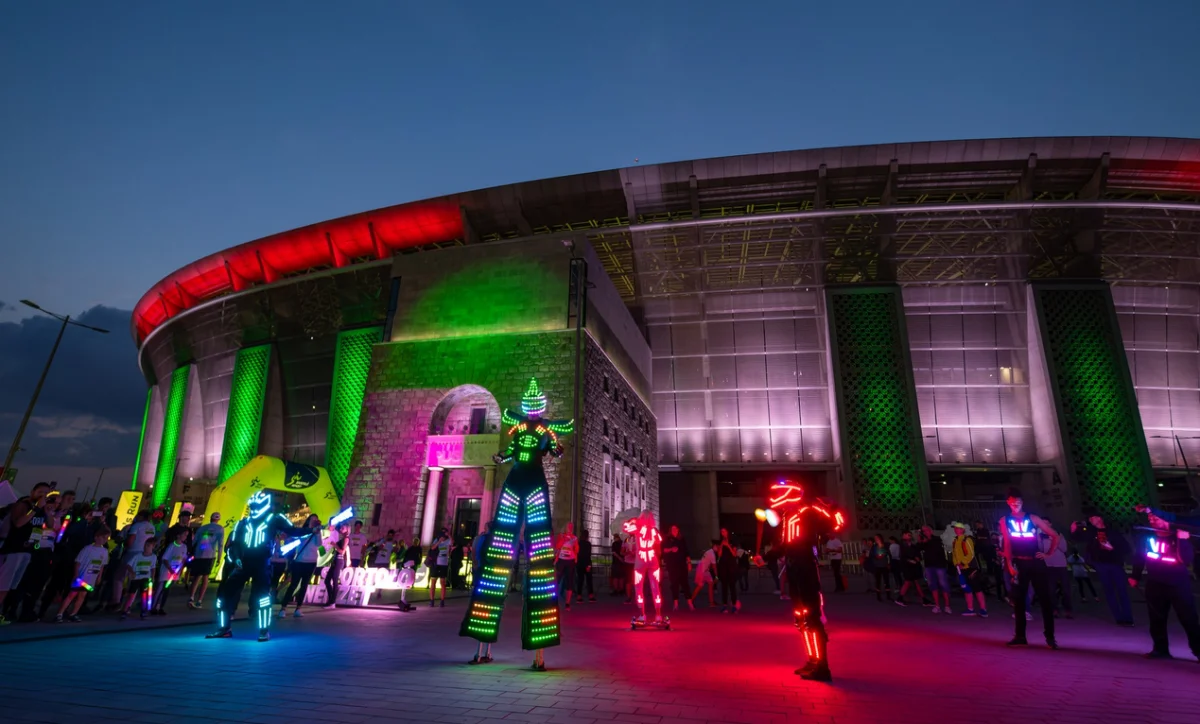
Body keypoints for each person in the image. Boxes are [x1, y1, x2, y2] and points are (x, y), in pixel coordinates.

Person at [459, 377, 571, 671]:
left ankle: (538, 653)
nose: (532, 408)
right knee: (500, 555)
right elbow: (510, 451)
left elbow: (557, 449)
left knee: (539, 562)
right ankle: (486, 646)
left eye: (535, 404)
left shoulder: (545, 431)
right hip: (519, 485)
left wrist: (557, 447)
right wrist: (502, 455)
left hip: (531, 486)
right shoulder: (521, 430)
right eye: (530, 404)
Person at [206, 492, 314, 642]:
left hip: (262, 563)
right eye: (252, 506)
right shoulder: (242, 523)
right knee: (225, 594)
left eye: (257, 506)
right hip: (243, 563)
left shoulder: (274, 519)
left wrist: (310, 530)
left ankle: (264, 630)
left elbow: (293, 531)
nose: (254, 509)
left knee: (262, 598)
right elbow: (234, 544)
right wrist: (236, 558)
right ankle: (224, 628)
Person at [765, 480, 845, 682]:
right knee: (800, 618)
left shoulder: (809, 511)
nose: (778, 501)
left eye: (781, 495)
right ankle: (812, 659)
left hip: (806, 568)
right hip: (793, 570)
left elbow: (836, 523)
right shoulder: (787, 517)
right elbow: (785, 545)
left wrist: (831, 507)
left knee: (812, 617)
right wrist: (768, 556)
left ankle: (822, 667)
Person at [1129, 510, 1200, 660]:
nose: (1153, 521)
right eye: (1150, 518)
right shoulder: (1147, 536)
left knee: (1189, 618)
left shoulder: (1179, 535)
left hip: (1178, 584)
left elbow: (1185, 560)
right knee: (1156, 618)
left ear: (1166, 520)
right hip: (1155, 583)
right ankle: (1160, 649)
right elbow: (1140, 556)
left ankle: (1198, 650)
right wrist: (1135, 575)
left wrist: (1182, 540)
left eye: (1156, 518)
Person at [1000, 488, 1059, 649]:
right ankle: (1020, 636)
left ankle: (1050, 637)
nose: (1015, 504)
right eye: (1012, 502)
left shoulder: (1032, 518)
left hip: (1036, 562)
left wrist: (1048, 553)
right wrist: (1009, 564)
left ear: (1022, 502)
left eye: (1018, 501)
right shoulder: (1004, 520)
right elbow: (1007, 543)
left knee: (1045, 599)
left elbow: (1055, 535)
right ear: (1008, 503)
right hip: (1019, 563)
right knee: (1018, 601)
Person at [0, 481, 51, 624]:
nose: (43, 495)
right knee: (3, 584)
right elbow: (18, 523)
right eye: (40, 492)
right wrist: (35, 508)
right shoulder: (23, 505)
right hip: (14, 549)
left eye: (46, 493)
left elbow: (51, 525)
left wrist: (47, 511)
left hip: (28, 550)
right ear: (33, 491)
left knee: (11, 585)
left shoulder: (41, 509)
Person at [1072, 514, 1133, 626]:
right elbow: (1077, 538)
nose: (1091, 520)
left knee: (1122, 591)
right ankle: (1118, 618)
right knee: (1109, 591)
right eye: (1089, 518)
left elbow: (1126, 548)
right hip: (1101, 565)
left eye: (1093, 517)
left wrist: (1113, 548)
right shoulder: (1091, 532)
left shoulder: (1113, 532)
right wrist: (1074, 530)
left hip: (1115, 564)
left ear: (1100, 518)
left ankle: (1128, 618)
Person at [56, 526, 110, 623]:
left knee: (82, 596)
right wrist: (76, 575)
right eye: (102, 537)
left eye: (106, 538)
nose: (104, 540)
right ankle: (59, 613)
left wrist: (99, 577)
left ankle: (73, 614)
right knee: (72, 594)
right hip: (81, 577)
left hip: (91, 578)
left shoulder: (105, 551)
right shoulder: (87, 549)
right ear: (96, 537)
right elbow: (77, 562)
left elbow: (102, 565)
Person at [623, 511, 664, 625]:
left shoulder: (637, 528)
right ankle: (658, 615)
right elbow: (660, 540)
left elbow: (625, 527)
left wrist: (633, 520)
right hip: (652, 558)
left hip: (640, 559)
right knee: (655, 587)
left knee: (638, 587)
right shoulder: (654, 530)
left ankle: (642, 614)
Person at [279, 514, 322, 618]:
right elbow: (299, 540)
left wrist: (317, 532)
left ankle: (298, 608)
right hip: (299, 561)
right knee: (293, 584)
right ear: (308, 521)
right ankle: (283, 608)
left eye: (316, 520)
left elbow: (319, 544)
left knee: (304, 586)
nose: (314, 521)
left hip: (311, 562)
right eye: (312, 519)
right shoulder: (303, 531)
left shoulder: (317, 532)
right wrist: (310, 530)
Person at [112, 511, 156, 609]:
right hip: (145, 554)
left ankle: (116, 602)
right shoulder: (152, 527)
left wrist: (125, 546)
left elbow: (131, 540)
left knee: (119, 577)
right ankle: (128, 605)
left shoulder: (136, 526)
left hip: (132, 552)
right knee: (135, 579)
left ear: (140, 516)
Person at [950, 522, 988, 617]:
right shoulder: (955, 541)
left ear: (962, 530)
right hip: (961, 568)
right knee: (966, 589)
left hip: (971, 568)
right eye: (955, 528)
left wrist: (962, 563)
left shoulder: (967, 540)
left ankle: (983, 609)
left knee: (977, 589)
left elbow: (971, 554)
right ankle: (970, 609)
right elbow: (954, 555)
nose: (956, 529)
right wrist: (956, 564)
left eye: (958, 528)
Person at [188, 512, 224, 609]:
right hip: (210, 555)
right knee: (205, 578)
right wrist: (219, 557)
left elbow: (194, 541)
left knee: (197, 577)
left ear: (210, 518)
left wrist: (191, 552)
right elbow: (220, 544)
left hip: (199, 554)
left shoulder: (202, 528)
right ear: (218, 519)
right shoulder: (220, 529)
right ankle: (199, 600)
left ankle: (191, 597)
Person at [152, 525, 190, 614]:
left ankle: (160, 607)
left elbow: (183, 559)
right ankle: (154, 607)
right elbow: (165, 559)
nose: (185, 537)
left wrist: (179, 571)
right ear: (178, 535)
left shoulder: (184, 547)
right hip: (166, 571)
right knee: (160, 589)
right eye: (184, 535)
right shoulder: (172, 545)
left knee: (167, 590)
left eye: (186, 535)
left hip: (174, 573)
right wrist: (170, 569)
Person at [120, 536, 158, 620]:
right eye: (145, 545)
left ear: (153, 547)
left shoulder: (153, 557)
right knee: (131, 595)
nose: (146, 547)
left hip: (145, 578)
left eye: (148, 545)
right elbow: (128, 565)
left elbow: (153, 568)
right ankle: (125, 610)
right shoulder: (137, 556)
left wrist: (152, 578)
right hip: (136, 578)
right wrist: (132, 572)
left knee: (144, 595)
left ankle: (143, 611)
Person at [919, 525, 951, 614]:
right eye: (923, 531)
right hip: (929, 566)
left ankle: (947, 605)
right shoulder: (923, 542)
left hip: (939, 566)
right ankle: (937, 605)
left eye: (926, 530)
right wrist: (921, 541)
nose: (925, 532)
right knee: (932, 585)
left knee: (943, 584)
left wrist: (927, 541)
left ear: (931, 531)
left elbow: (937, 549)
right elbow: (918, 548)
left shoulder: (937, 539)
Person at [1041, 525, 1071, 619]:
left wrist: (1055, 540)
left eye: (1046, 523)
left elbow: (1064, 549)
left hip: (1061, 565)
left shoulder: (1059, 535)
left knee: (1066, 589)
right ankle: (1054, 609)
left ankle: (1068, 610)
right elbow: (1042, 550)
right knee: (1051, 590)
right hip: (1049, 566)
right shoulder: (1041, 536)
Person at [894, 530, 931, 607]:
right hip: (907, 566)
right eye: (908, 534)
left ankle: (924, 599)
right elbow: (902, 556)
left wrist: (917, 558)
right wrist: (910, 560)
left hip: (913, 566)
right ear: (903, 535)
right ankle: (900, 598)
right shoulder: (901, 545)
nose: (910, 536)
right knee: (908, 582)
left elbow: (916, 552)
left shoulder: (911, 544)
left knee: (916, 582)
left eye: (910, 535)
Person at [662, 525, 690, 610]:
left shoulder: (682, 539)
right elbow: (664, 550)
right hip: (672, 565)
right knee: (674, 584)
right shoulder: (667, 539)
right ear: (670, 530)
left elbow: (686, 551)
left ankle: (690, 603)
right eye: (673, 529)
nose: (674, 530)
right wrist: (671, 549)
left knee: (685, 583)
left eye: (676, 529)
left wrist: (689, 562)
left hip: (682, 564)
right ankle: (676, 603)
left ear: (678, 530)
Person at [554, 521, 579, 610]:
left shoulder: (574, 538)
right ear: (565, 527)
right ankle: (554, 600)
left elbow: (577, 550)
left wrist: (575, 546)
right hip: (561, 560)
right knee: (557, 579)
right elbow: (557, 547)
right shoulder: (561, 536)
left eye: (572, 526)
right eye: (569, 526)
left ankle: (567, 603)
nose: (570, 528)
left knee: (570, 581)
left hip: (570, 561)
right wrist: (564, 540)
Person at [324, 523, 349, 609]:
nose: (341, 529)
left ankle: (332, 603)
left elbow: (342, 551)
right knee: (327, 580)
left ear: (347, 529)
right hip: (335, 560)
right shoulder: (341, 538)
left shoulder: (346, 539)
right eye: (341, 527)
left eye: (343, 528)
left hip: (339, 560)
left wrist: (335, 545)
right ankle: (331, 600)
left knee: (334, 581)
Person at [689, 540, 720, 610]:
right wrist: (716, 576)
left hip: (705, 570)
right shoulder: (712, 554)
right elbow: (714, 567)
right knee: (700, 586)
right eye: (718, 547)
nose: (718, 548)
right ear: (715, 546)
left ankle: (711, 602)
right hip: (702, 570)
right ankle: (690, 600)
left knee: (710, 584)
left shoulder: (710, 551)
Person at [397, 536, 422, 611]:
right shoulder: (411, 548)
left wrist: (419, 562)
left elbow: (419, 556)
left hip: (414, 562)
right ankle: (407, 583)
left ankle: (411, 583)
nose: (415, 542)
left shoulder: (418, 548)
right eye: (415, 541)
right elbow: (406, 555)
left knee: (413, 572)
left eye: (416, 541)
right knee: (409, 572)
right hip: (410, 562)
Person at [429, 527, 451, 608]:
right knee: (433, 582)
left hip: (444, 563)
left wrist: (449, 535)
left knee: (443, 582)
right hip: (436, 563)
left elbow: (452, 542)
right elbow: (432, 548)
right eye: (443, 533)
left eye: (445, 533)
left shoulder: (448, 540)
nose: (444, 535)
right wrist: (439, 541)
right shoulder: (437, 539)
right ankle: (431, 600)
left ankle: (442, 600)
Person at [868, 535, 891, 602]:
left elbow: (888, 555)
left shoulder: (885, 546)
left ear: (880, 538)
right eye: (875, 538)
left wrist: (889, 563)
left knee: (886, 581)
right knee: (878, 581)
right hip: (877, 566)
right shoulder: (874, 547)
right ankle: (878, 596)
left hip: (885, 566)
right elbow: (875, 556)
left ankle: (888, 596)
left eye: (877, 538)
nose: (876, 539)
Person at [575, 527, 595, 602]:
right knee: (589, 580)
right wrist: (589, 565)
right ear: (587, 536)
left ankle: (579, 596)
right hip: (586, 564)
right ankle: (591, 596)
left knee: (580, 580)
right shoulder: (588, 544)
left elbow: (577, 554)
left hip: (579, 564)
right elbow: (588, 555)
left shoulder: (578, 543)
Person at [610, 533, 626, 597]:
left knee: (616, 577)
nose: (614, 539)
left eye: (614, 538)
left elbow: (614, 553)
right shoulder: (623, 543)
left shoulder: (614, 544)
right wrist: (622, 559)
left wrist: (619, 558)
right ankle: (621, 590)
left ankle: (616, 590)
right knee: (621, 577)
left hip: (616, 562)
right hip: (622, 562)